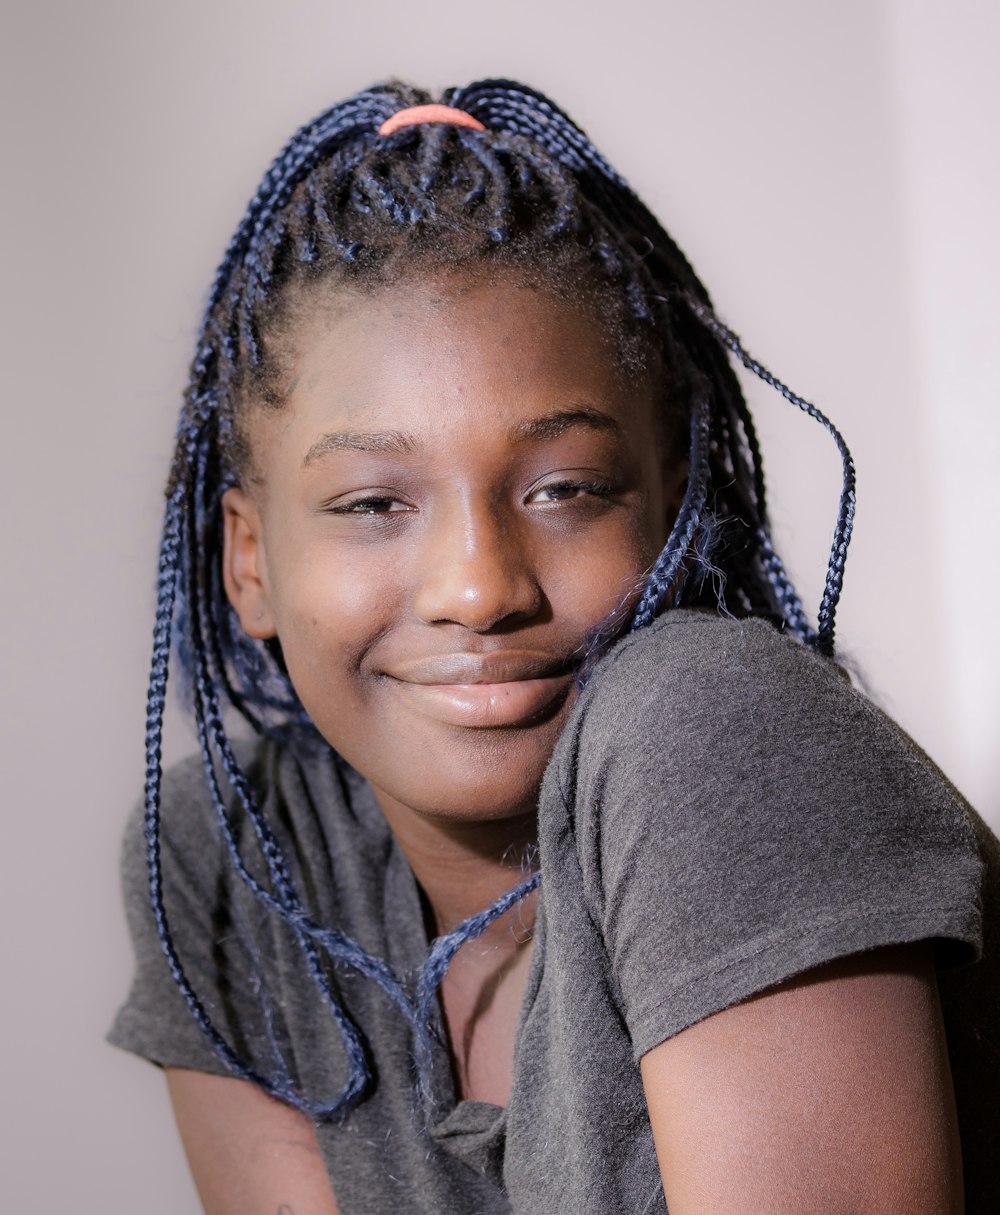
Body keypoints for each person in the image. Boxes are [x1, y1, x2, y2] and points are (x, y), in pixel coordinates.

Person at [109, 79, 998, 1214]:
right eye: (375, 503)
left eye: (566, 488)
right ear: (249, 561)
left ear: (672, 506)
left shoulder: (709, 732)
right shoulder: (232, 860)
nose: (478, 586)